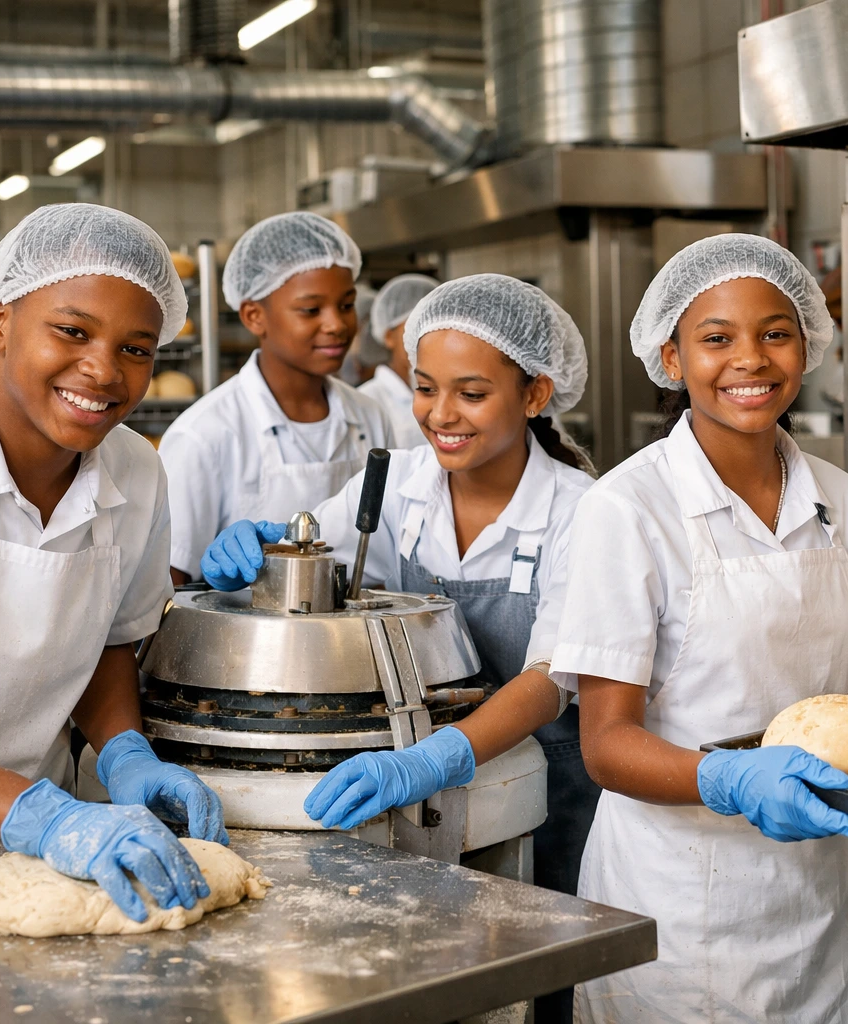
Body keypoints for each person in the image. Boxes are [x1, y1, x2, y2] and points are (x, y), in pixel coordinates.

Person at [197, 274, 601, 1020]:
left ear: (536, 394)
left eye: (471, 394)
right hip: (420, 797)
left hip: (549, 797)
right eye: (424, 388)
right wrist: (268, 551)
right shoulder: (400, 483)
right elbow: (315, 554)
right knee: (434, 978)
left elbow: (551, 678)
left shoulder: (581, 512)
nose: (439, 415)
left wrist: (432, 760)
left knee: (539, 989)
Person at [549, 234, 848, 1022]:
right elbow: (605, 743)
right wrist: (727, 778)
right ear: (671, 359)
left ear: (808, 345)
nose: (751, 359)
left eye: (776, 333)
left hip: (821, 889)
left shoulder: (841, 498)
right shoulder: (627, 509)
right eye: (716, 339)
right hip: (683, 901)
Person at [0, 204, 226, 923]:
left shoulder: (136, 470)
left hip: (26, 853)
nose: (104, 371)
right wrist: (43, 817)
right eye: (72, 330)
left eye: (138, 348)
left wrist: (125, 756)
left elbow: (107, 641)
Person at [159, 212, 392, 584]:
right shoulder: (204, 435)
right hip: (245, 640)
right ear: (254, 316)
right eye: (311, 310)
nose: (336, 324)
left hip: (356, 637)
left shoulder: (369, 415)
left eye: (346, 305)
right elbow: (168, 585)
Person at [358, 273, 438, 450]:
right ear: (388, 336)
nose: (427, 336)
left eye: (434, 326)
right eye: (415, 326)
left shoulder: (446, 393)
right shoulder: (367, 400)